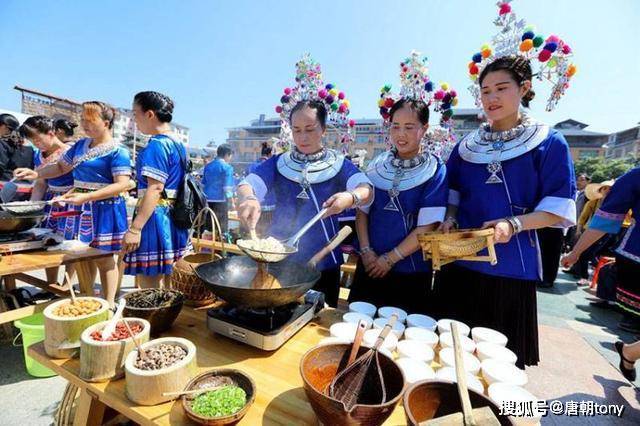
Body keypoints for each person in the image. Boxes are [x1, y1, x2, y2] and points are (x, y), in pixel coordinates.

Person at [438, 3, 577, 368]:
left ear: (525, 88)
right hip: (460, 259)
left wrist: (513, 224)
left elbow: (558, 208)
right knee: (451, 357)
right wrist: (450, 218)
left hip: (510, 268)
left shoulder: (549, 142)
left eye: (501, 88)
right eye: (485, 91)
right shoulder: (466, 147)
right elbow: (453, 191)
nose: (491, 98)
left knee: (497, 366)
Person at [236, 54, 373, 307]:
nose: (303, 137)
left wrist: (349, 197)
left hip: (324, 260)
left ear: (323, 129)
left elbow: (366, 189)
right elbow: (249, 183)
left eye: (310, 130)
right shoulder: (278, 163)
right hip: (278, 256)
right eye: (297, 130)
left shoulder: (340, 164)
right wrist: (248, 199)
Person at [348, 52, 452, 314]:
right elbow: (362, 212)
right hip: (369, 266)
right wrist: (368, 251)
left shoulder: (435, 170)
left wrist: (389, 259)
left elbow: (428, 226)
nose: (401, 134)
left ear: (424, 129)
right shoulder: (376, 165)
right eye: (395, 126)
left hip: (409, 270)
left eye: (409, 127)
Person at [15, 101, 131, 306]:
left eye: (90, 120)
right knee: (84, 257)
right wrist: (37, 173)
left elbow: (122, 184)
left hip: (104, 209)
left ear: (106, 123)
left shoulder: (117, 151)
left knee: (104, 260)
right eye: (83, 120)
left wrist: (86, 197)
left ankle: (109, 303)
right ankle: (90, 297)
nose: (85, 125)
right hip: (80, 206)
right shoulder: (80, 145)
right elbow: (60, 167)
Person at [121, 91, 190, 288]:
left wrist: (135, 228)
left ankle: (153, 319)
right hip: (173, 215)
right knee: (169, 281)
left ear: (150, 114)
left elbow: (155, 188)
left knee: (150, 284)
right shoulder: (178, 144)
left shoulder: (157, 146)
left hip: (155, 216)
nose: (134, 119)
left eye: (135, 114)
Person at [563, 167, 640, 333]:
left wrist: (575, 252)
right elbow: (604, 221)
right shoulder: (635, 178)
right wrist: (576, 252)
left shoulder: (634, 177)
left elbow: (605, 221)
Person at [18, 116, 76, 286]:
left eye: (37, 139)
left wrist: (67, 197)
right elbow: (41, 183)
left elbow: (81, 181)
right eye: (32, 140)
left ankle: (67, 285)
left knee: (69, 245)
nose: (36, 143)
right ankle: (51, 285)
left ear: (51, 133)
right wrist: (32, 206)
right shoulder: (38, 155)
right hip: (50, 202)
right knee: (48, 242)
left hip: (70, 201)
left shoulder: (69, 152)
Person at [573, 180, 614, 285]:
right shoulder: (593, 202)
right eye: (605, 188)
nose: (607, 190)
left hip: (607, 234)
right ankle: (585, 277)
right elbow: (582, 218)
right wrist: (578, 230)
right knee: (583, 254)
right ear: (600, 190)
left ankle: (594, 275)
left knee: (593, 255)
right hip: (590, 231)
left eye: (610, 188)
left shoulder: (616, 204)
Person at [0, 113, 35, 200]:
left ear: (4, 126)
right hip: (26, 193)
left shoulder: (2, 144)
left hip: (4, 192)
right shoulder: (29, 148)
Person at [202, 144, 235, 236]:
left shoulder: (208, 166)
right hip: (220, 201)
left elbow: (203, 184)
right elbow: (227, 188)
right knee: (221, 229)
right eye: (231, 155)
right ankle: (220, 249)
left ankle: (207, 248)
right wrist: (232, 202)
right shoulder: (227, 167)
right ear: (227, 154)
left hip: (207, 200)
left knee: (208, 228)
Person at [246, 139, 276, 235]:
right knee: (267, 235)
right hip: (269, 205)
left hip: (255, 205)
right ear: (271, 153)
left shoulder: (251, 166)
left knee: (254, 233)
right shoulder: (273, 166)